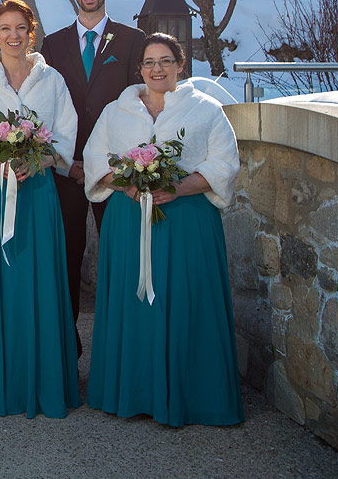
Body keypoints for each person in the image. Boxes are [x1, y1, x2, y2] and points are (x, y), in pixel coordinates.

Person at [84, 33, 243, 426]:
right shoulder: (115, 110)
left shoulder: (206, 109)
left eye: (166, 61)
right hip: (129, 219)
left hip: (186, 221)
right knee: (133, 303)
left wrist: (177, 188)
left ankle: (193, 396)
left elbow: (224, 163)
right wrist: (125, 182)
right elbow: (93, 158)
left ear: (180, 64)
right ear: (139, 68)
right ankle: (132, 391)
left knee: (186, 300)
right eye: (150, 62)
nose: (158, 69)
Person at [0, 0, 79, 417]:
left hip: (37, 192)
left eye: (20, 27)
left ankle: (41, 382)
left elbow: (64, 137)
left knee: (37, 281)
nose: (13, 35)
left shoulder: (51, 79)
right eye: (4, 28)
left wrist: (37, 160)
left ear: (31, 31)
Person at [40, 0, 145, 353]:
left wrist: (103, 164)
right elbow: (44, 107)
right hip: (66, 170)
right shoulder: (53, 44)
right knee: (64, 255)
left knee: (120, 255)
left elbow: (137, 107)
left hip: (115, 172)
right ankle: (66, 346)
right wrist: (69, 162)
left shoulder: (133, 42)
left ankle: (119, 345)